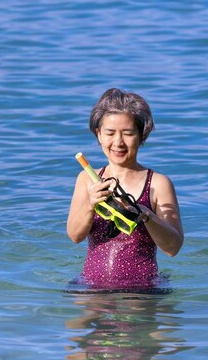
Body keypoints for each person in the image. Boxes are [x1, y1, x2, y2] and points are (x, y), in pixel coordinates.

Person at [67, 88, 184, 290]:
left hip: (142, 289)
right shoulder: (87, 179)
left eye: (128, 133)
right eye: (110, 133)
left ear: (141, 135)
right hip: (90, 284)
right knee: (74, 323)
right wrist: (90, 205)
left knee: (133, 319)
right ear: (99, 134)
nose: (118, 142)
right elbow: (75, 236)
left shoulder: (158, 183)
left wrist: (145, 214)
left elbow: (172, 248)